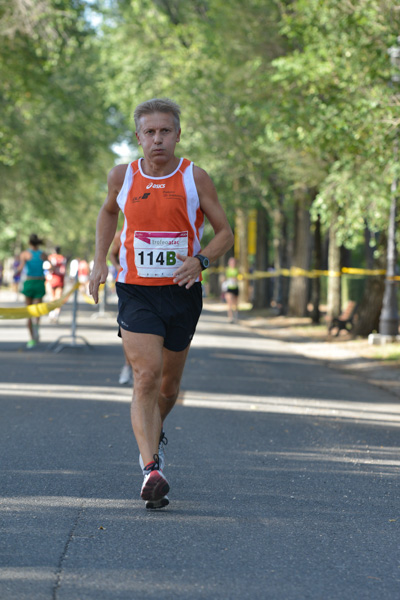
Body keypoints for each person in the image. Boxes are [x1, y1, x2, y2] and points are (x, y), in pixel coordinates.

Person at [89, 98, 233, 509]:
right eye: (149, 132)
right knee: (146, 377)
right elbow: (107, 212)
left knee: (168, 386)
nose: (157, 139)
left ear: (178, 134)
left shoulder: (195, 178)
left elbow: (226, 232)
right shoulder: (122, 175)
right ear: (138, 137)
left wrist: (201, 259)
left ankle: (154, 432)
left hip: (182, 291)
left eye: (165, 131)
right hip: (135, 289)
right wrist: (99, 262)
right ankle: (151, 467)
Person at [109, 229, 133, 385]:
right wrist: (118, 266)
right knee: (128, 329)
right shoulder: (120, 233)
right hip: (129, 285)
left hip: (161, 286)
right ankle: (127, 366)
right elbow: (112, 254)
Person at [16, 233, 47, 348]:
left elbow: (20, 268)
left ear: (29, 243)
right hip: (39, 283)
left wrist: (16, 273)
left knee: (29, 311)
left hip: (29, 283)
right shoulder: (43, 254)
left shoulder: (25, 254)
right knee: (37, 310)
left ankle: (31, 338)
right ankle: (36, 329)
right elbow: (51, 267)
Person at [48, 246, 67, 322]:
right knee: (58, 297)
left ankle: (52, 313)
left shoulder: (50, 257)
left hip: (52, 279)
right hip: (60, 279)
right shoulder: (62, 258)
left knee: (52, 297)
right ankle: (56, 314)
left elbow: (48, 268)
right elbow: (64, 269)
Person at [224, 256, 239, 323]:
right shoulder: (227, 270)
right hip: (229, 288)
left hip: (235, 288)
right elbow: (224, 278)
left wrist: (237, 279)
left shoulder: (237, 270)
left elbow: (241, 277)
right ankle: (230, 317)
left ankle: (236, 317)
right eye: (231, 262)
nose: (233, 263)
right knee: (229, 303)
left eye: (234, 262)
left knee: (235, 304)